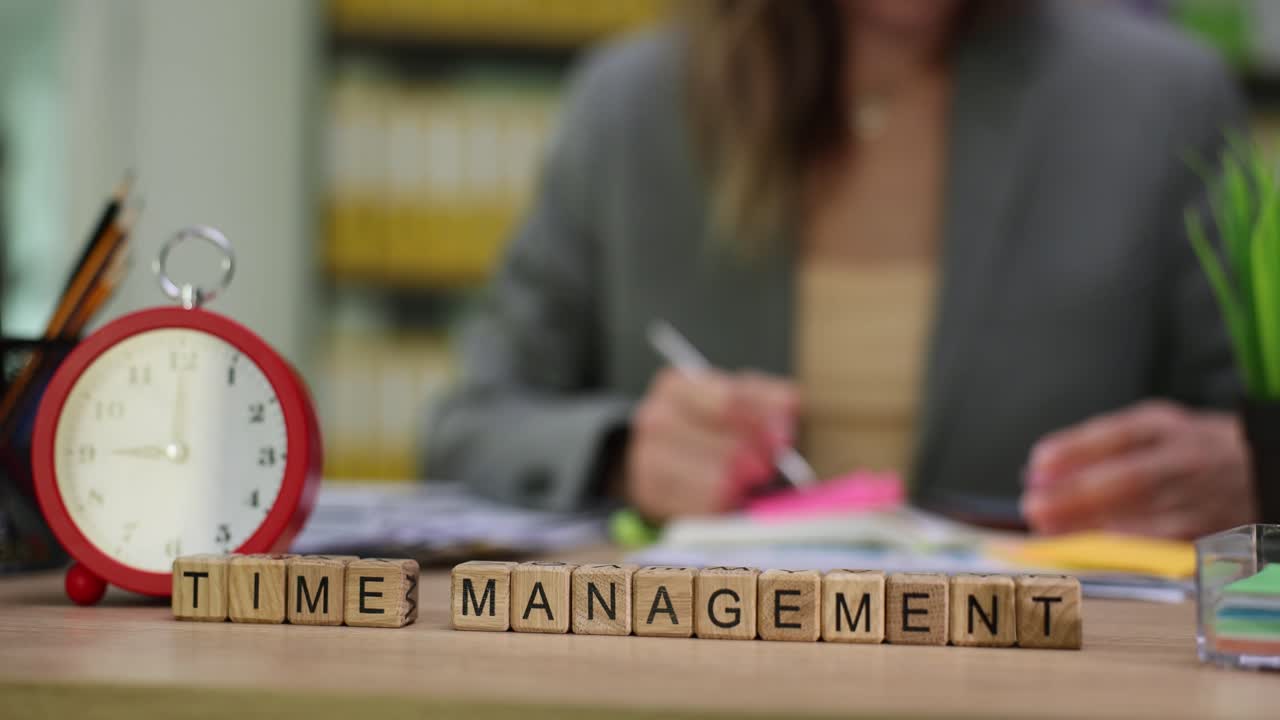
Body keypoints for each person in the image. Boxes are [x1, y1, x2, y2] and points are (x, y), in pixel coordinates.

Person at [424, 0, 1260, 539]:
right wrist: (622, 455)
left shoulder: (1159, 101)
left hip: (1048, 678)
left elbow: (1246, 422)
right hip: (706, 675)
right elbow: (470, 426)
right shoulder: (630, 108)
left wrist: (1253, 467)